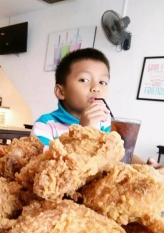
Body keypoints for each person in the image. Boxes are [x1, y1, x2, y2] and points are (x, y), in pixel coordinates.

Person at [31, 48, 164, 174]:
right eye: (84, 80)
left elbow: (121, 154)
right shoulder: (46, 125)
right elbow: (43, 167)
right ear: (61, 91)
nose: (96, 87)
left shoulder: (105, 124)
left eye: (103, 82)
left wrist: (147, 167)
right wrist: (84, 132)